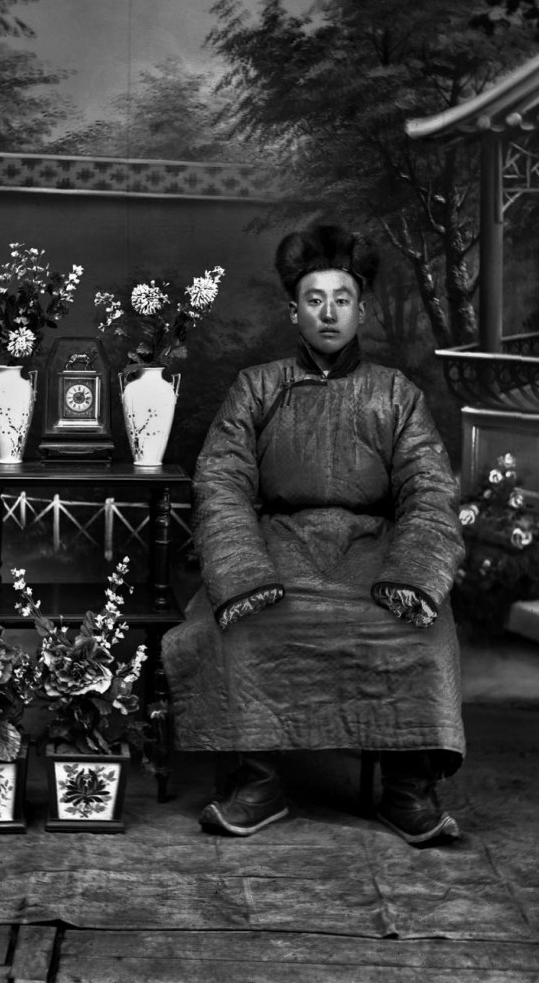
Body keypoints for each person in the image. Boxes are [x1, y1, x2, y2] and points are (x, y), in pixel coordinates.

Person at [161, 224, 466, 848]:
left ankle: (409, 789)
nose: (329, 312)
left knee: (424, 636)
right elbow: (220, 482)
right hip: (280, 545)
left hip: (371, 550)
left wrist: (411, 574)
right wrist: (244, 571)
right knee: (233, 630)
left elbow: (432, 492)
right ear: (292, 311)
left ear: (362, 310)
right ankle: (258, 782)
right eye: (314, 299)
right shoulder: (257, 388)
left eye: (343, 298)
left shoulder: (396, 395)